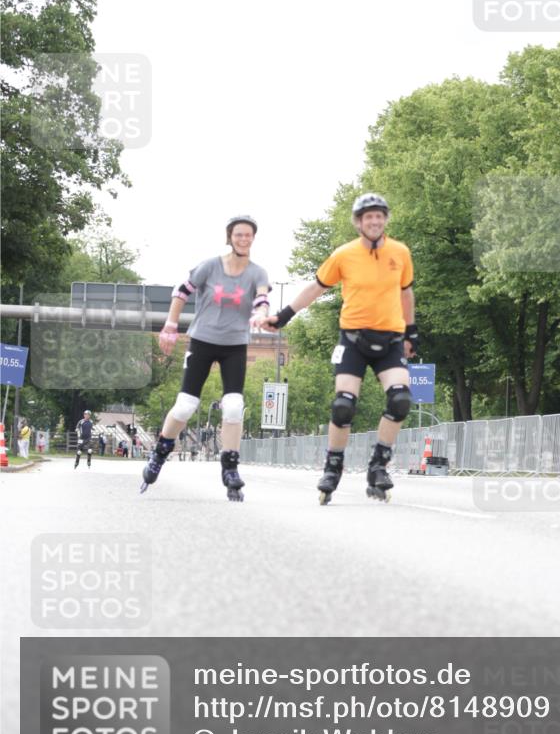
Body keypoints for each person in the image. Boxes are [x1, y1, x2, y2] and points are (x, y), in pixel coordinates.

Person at [260, 193, 418, 504]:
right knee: (343, 405)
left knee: (400, 400)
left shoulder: (400, 252)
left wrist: (411, 331)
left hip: (390, 339)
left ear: (385, 219)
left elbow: (406, 293)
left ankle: (378, 466)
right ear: (358, 222)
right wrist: (284, 316)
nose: (374, 221)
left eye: (379, 216)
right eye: (368, 217)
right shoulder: (344, 255)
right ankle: (332, 468)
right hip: (353, 340)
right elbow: (316, 288)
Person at [140, 214, 270, 500]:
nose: (243, 239)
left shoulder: (257, 272)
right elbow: (182, 291)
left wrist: (261, 313)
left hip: (235, 344)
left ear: (253, 239)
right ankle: (160, 452)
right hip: (202, 340)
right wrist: (171, 325)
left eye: (248, 235)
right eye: (238, 234)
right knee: (185, 406)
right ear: (229, 237)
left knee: (233, 406)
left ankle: (230, 468)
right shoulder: (210, 266)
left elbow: (262, 298)